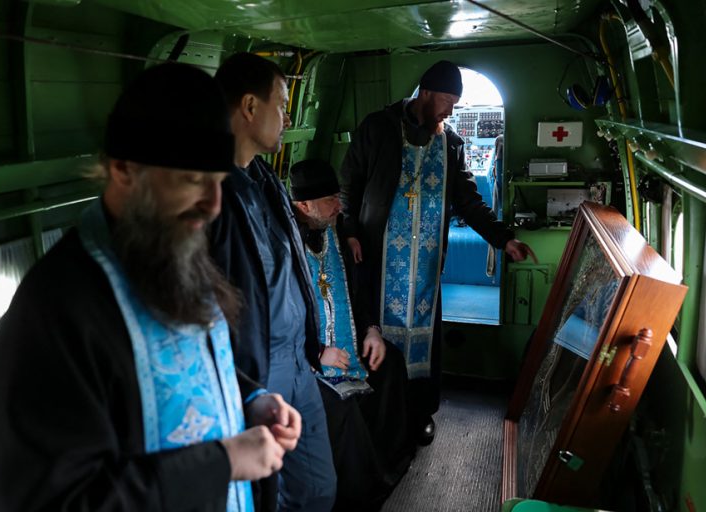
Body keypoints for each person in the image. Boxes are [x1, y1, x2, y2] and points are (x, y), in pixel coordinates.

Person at [0, 63, 301, 512]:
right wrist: (221, 463)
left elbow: (195, 359)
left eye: (219, 182)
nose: (213, 207)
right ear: (125, 170)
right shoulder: (54, 312)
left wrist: (250, 398)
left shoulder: (170, 250)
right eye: (193, 181)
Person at [339, 60, 537, 445]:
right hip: (380, 260)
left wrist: (503, 238)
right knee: (376, 331)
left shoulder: (450, 144)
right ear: (424, 93)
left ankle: (418, 413)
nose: (450, 110)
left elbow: (468, 201)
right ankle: (379, 410)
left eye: (455, 104)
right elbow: (350, 183)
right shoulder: (377, 128)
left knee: (424, 342)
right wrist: (348, 232)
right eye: (446, 100)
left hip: (426, 265)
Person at [210, 53, 336, 511]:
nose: (286, 119)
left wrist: (314, 343)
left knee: (318, 489)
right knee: (264, 496)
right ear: (248, 106)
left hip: (299, 358)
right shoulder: (214, 194)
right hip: (260, 366)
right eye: (281, 105)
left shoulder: (266, 178)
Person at [289, 159, 413, 511]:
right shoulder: (283, 245)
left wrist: (371, 330)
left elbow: (359, 287)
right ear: (302, 206)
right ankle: (360, 493)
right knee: (339, 408)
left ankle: (388, 460)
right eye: (330, 200)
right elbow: (281, 315)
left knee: (390, 361)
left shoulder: (338, 231)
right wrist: (316, 353)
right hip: (305, 357)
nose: (339, 206)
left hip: (348, 341)